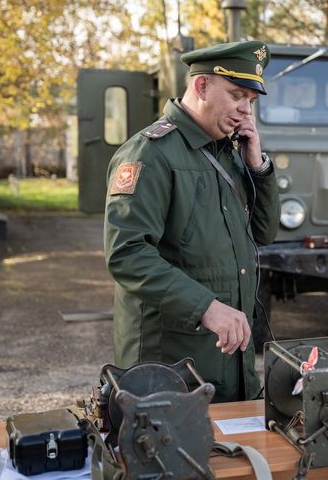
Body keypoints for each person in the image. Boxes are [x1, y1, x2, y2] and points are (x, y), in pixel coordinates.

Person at [103, 40, 280, 403]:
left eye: (251, 100)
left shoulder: (228, 151)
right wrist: (206, 307)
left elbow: (264, 232)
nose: (245, 110)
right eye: (235, 95)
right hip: (169, 365)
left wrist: (257, 166)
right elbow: (127, 254)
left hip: (229, 359)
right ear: (201, 87)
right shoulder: (150, 153)